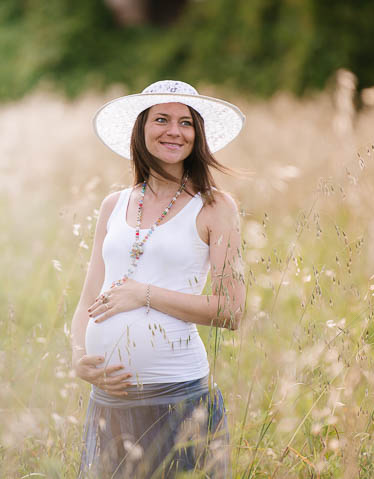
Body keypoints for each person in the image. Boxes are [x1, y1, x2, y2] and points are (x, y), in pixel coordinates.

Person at [71, 80, 246, 478]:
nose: (174, 131)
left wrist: (144, 294)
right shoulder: (114, 204)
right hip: (109, 405)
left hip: (177, 402)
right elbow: (87, 300)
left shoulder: (215, 206)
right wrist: (79, 358)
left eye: (186, 123)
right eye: (161, 119)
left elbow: (232, 309)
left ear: (197, 135)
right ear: (141, 129)